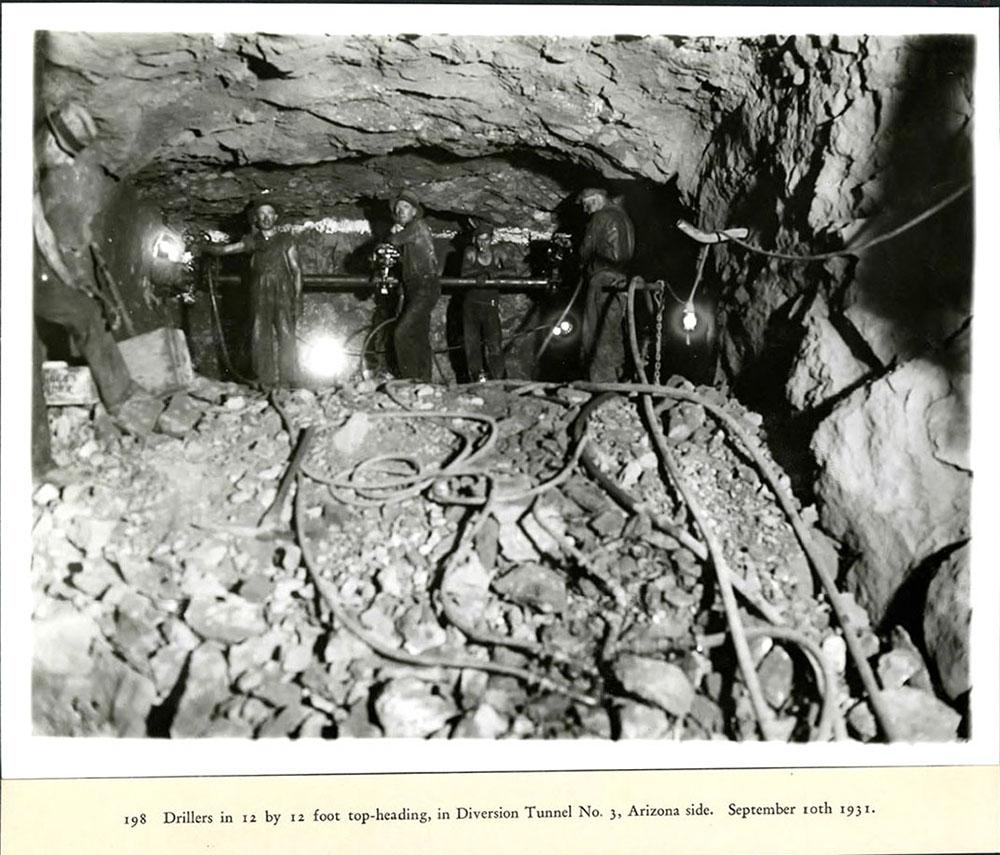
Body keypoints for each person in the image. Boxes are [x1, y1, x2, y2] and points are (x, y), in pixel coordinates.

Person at [33, 102, 161, 483]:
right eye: (64, 151)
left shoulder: (31, 172)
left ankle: (39, 463)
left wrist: (69, 278)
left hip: (31, 268)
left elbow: (42, 232)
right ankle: (121, 400)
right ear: (50, 136)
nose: (63, 161)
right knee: (83, 318)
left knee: (74, 318)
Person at [201, 198, 303, 387]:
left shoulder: (286, 240)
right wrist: (202, 247)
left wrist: (297, 298)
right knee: (259, 333)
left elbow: (296, 270)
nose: (266, 218)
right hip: (259, 290)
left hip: (283, 290)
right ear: (256, 219)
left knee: (286, 333)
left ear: (276, 217)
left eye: (270, 214)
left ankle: (290, 381)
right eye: (262, 214)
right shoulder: (252, 241)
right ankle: (265, 380)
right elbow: (225, 250)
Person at [577, 187, 635, 382]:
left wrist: (577, 260)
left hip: (601, 280)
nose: (585, 210)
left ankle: (599, 385)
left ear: (597, 199)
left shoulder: (600, 217)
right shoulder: (624, 217)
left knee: (594, 333)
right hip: (621, 281)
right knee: (613, 332)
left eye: (586, 204)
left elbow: (586, 250)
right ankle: (617, 380)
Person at [386, 190, 441, 383]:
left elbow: (392, 241)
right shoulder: (410, 235)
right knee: (419, 335)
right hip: (415, 287)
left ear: (415, 212)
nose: (400, 210)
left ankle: (409, 380)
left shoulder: (417, 226)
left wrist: (394, 232)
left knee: (402, 332)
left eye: (406, 207)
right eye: (398, 207)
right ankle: (424, 381)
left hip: (425, 285)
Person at [460, 223, 506, 381]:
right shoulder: (471, 252)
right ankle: (475, 380)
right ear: (475, 240)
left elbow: (513, 270)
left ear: (491, 239)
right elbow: (464, 272)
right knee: (471, 346)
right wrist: (483, 272)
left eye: (486, 240)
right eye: (480, 240)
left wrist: (490, 273)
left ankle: (499, 380)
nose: (483, 244)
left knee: (494, 345)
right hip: (471, 305)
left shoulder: (498, 252)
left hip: (490, 304)